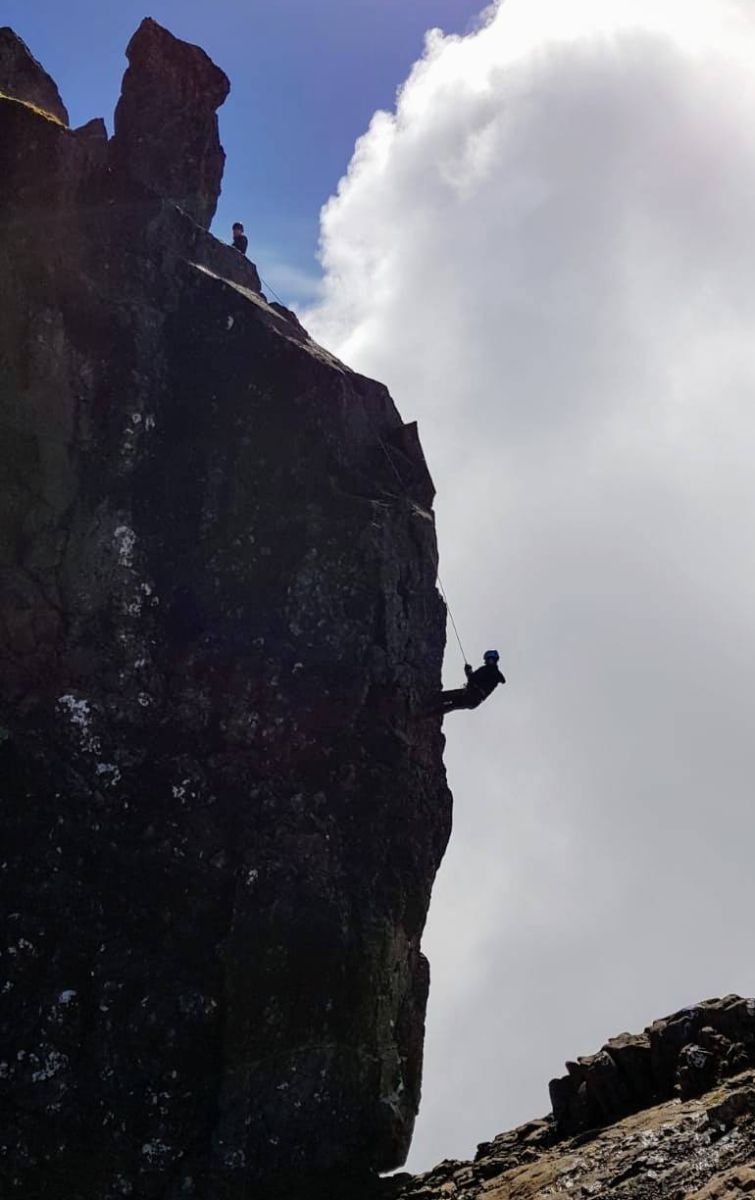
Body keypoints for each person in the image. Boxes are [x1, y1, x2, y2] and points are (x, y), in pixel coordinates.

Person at [428, 650, 506, 716]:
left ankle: (426, 704)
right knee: (450, 706)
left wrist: (468, 670)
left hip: (470, 693)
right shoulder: (496, 675)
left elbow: (472, 678)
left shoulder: (486, 670)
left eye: (487, 659)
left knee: (444, 697)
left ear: (491, 659)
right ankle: (426, 715)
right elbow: (475, 680)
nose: (485, 661)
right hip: (475, 701)